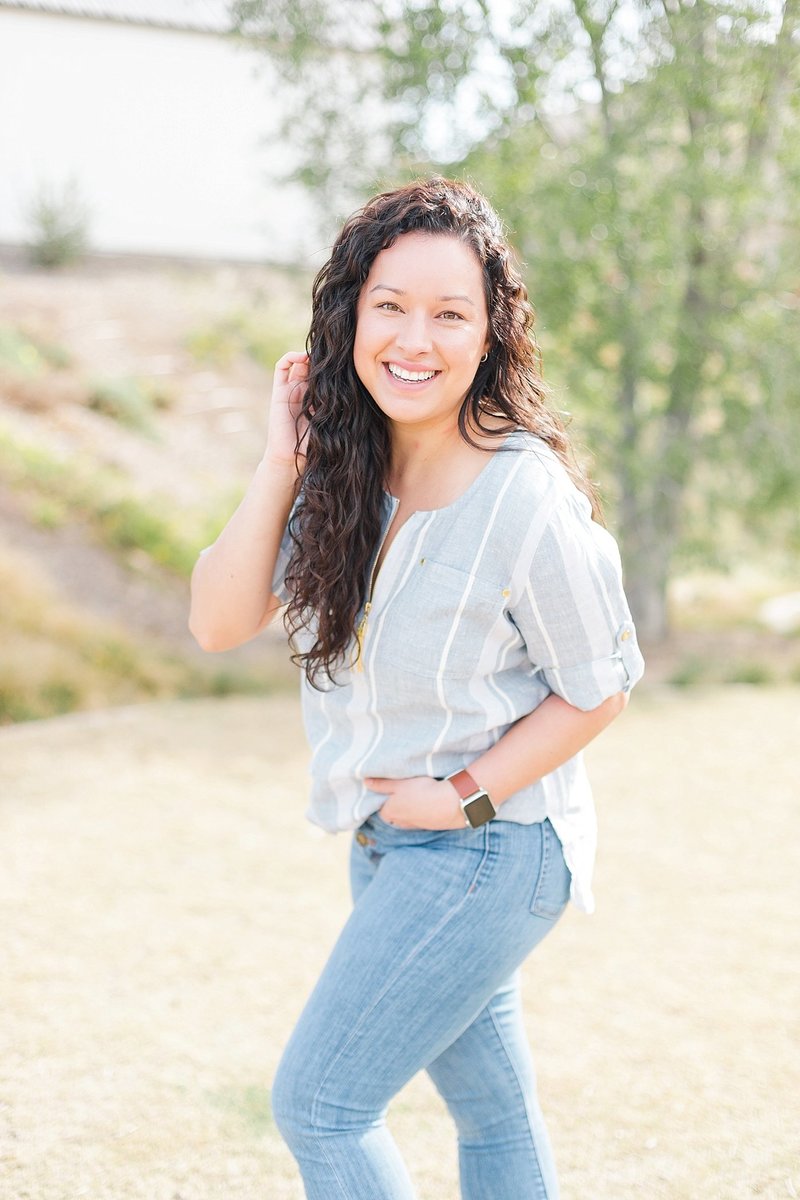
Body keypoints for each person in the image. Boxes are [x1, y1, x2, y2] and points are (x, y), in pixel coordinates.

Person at [189, 177, 644, 1200]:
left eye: (450, 313)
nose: (414, 337)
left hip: (492, 846)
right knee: (491, 1111)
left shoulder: (523, 494)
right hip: (387, 843)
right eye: (389, 304)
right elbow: (217, 622)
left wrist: (463, 794)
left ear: (489, 336)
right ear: (350, 312)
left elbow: (600, 684)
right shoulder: (342, 474)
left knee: (319, 1104)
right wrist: (278, 460)